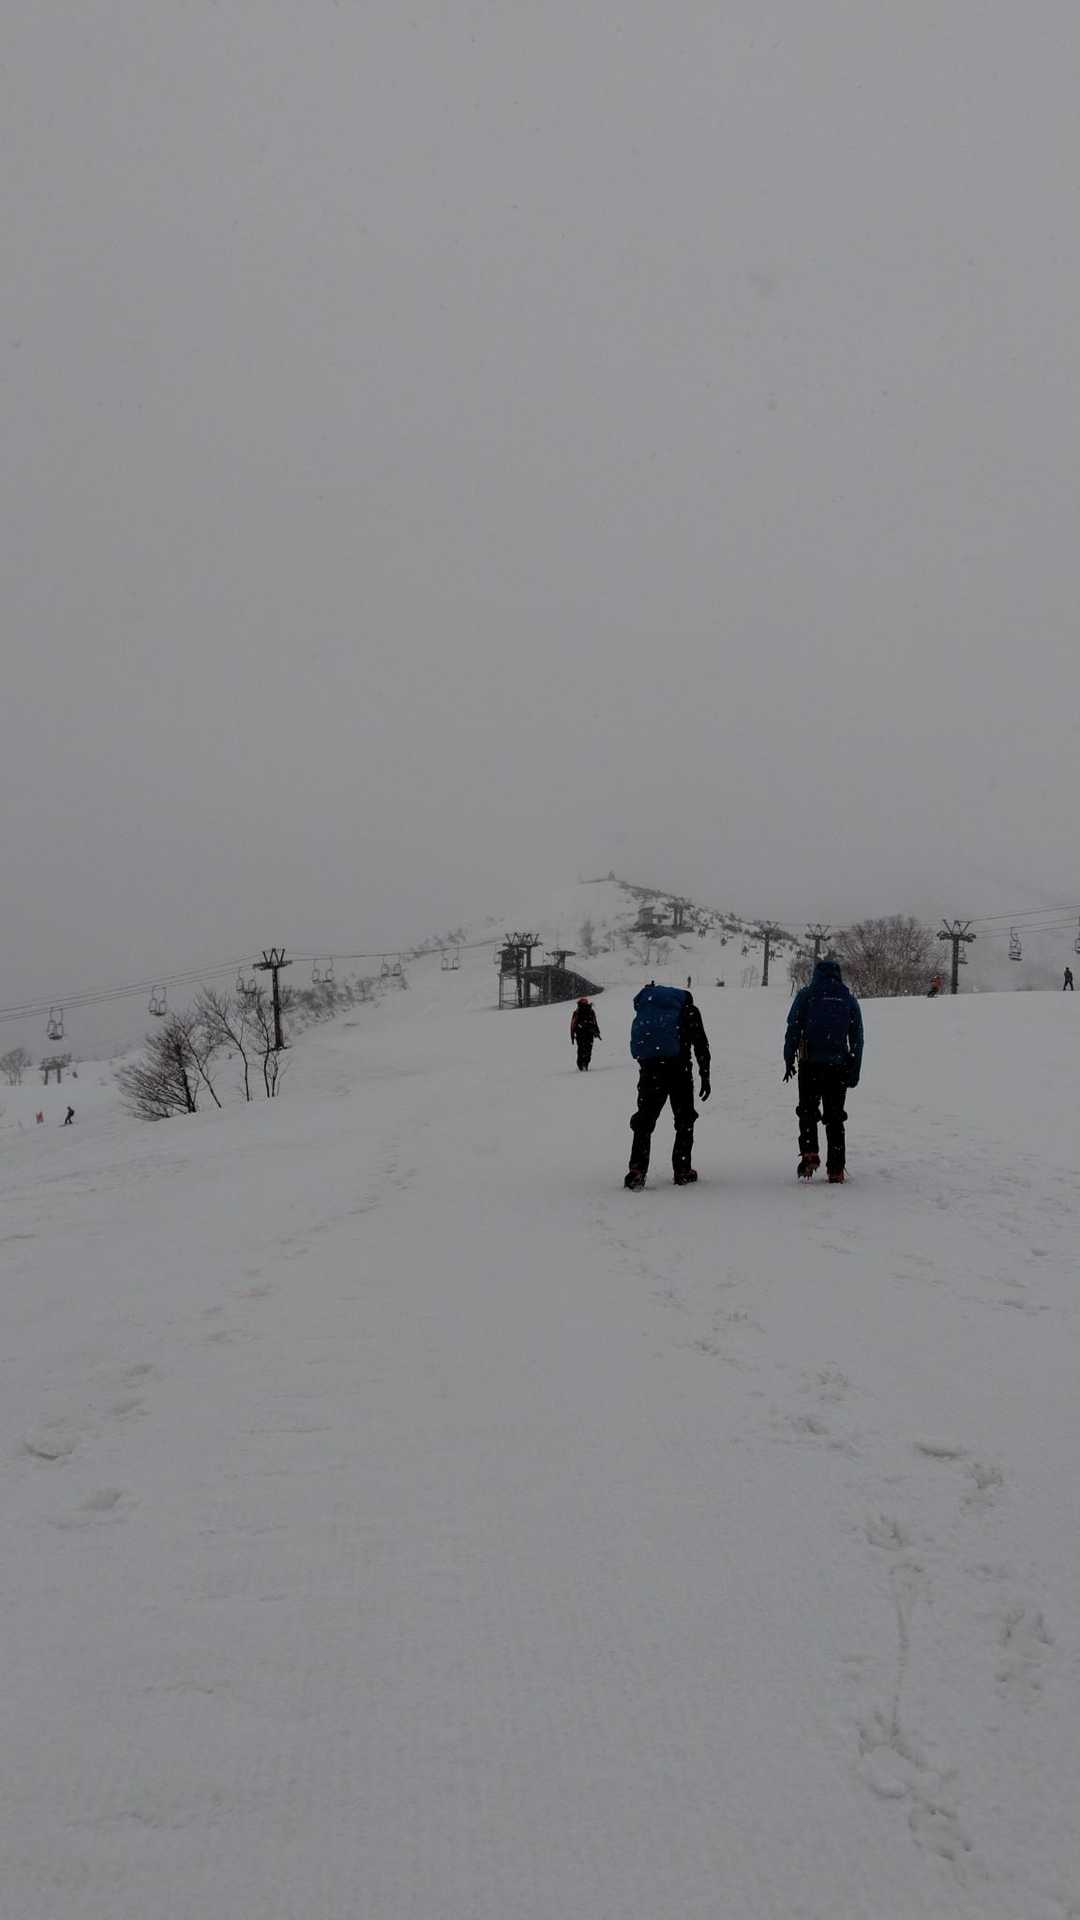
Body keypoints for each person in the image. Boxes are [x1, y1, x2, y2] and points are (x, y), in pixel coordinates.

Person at [784, 956, 863, 1182]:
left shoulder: (806, 995)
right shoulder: (848, 999)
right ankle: (836, 1169)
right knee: (835, 1116)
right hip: (838, 1066)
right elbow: (858, 1038)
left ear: (816, 974)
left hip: (810, 1063)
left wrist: (788, 1057)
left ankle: (810, 1153)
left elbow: (793, 1028)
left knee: (808, 1110)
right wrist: (854, 1069)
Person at [625, 983, 710, 1189]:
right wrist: (704, 1074)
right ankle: (682, 1170)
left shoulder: (649, 1009)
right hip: (679, 1070)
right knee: (684, 1119)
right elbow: (700, 1043)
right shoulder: (689, 1010)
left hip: (650, 1069)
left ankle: (637, 1170)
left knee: (644, 1120)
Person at [570, 997, 601, 1070]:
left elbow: (573, 1024)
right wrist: (597, 1032)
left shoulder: (577, 1012)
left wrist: (572, 1035)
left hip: (580, 1033)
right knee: (588, 1049)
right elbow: (594, 1022)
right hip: (589, 1033)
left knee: (581, 1049)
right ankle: (585, 1064)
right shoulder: (591, 1011)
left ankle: (581, 1064)